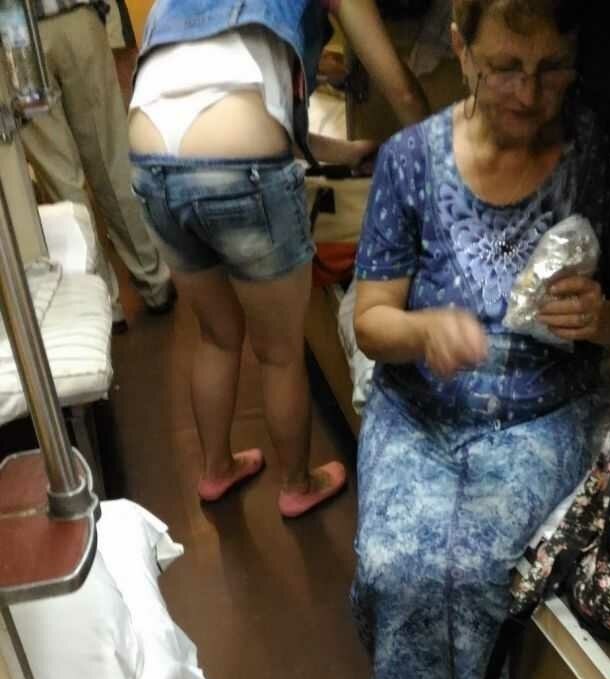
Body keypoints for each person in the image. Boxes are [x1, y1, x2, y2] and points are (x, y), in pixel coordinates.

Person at [352, 0, 610, 679]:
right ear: (461, 48)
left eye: (551, 67)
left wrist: (599, 316)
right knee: (394, 559)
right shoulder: (411, 159)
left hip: (542, 408)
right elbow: (370, 320)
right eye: (504, 68)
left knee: (482, 562)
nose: (528, 93)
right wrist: (423, 330)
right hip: (421, 406)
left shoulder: (604, 154)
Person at [128, 0, 430, 517]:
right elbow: (398, 88)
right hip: (242, 160)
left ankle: (216, 469)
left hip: (150, 156)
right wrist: (446, 156)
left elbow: (237, 108)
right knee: (279, 351)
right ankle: (297, 483)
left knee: (217, 335)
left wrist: (350, 151)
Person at [22, 1, 175, 329]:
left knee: (60, 178)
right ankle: (154, 281)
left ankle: (102, 302)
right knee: (111, 159)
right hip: (76, 19)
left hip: (14, 37)